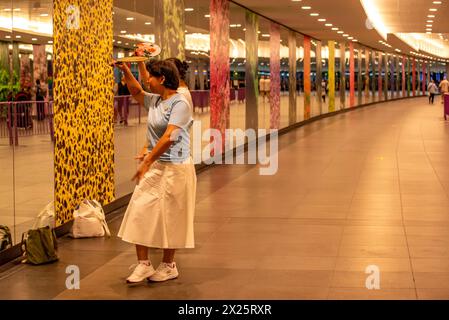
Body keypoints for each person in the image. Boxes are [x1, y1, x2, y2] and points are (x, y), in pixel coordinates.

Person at [113, 59, 196, 284]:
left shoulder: (181, 103)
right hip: (156, 166)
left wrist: (148, 159)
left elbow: (170, 136)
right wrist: (126, 70)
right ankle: (144, 265)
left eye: (150, 76)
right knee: (140, 209)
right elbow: (136, 91)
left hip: (177, 168)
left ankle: (169, 266)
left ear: (162, 79)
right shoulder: (156, 101)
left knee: (172, 217)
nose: (146, 79)